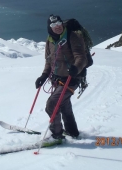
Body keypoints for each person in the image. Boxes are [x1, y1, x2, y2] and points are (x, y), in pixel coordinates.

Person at [35, 14, 87, 146]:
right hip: (57, 79)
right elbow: (49, 61)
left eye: (58, 24)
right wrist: (43, 76)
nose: (57, 27)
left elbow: (81, 57)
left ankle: (57, 135)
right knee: (64, 104)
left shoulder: (73, 36)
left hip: (73, 78)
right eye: (53, 25)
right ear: (49, 27)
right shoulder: (50, 40)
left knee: (52, 104)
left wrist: (76, 67)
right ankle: (72, 132)